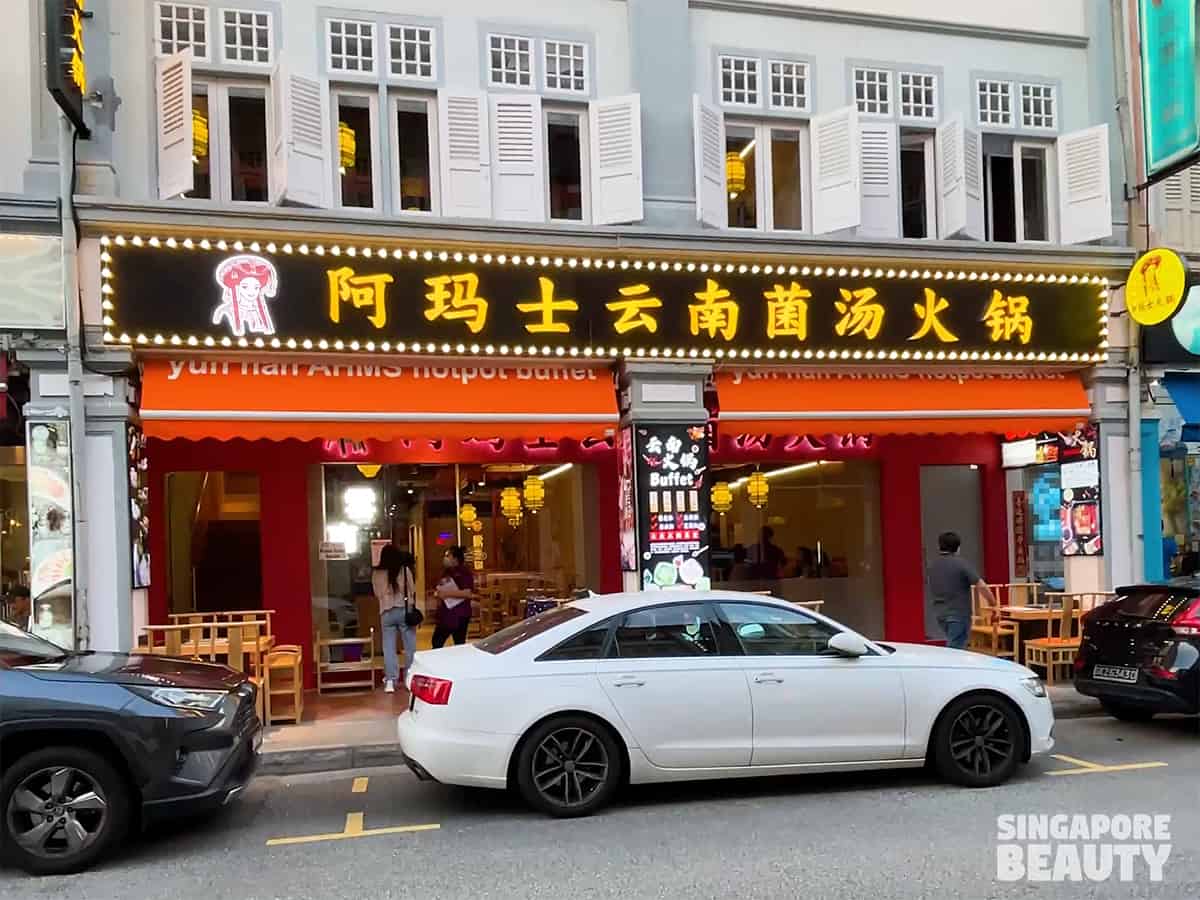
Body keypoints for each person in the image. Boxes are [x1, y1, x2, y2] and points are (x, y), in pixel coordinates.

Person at [928, 531, 994, 651]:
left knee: (953, 643)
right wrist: (992, 602)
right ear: (958, 548)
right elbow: (981, 585)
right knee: (956, 650)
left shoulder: (933, 565)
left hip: (940, 614)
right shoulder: (961, 564)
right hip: (958, 614)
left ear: (940, 546)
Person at [373, 545, 416, 694]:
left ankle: (391, 680)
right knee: (409, 646)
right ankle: (409, 678)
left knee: (389, 647)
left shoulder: (377, 573)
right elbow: (412, 589)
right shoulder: (405, 570)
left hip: (386, 612)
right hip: (404, 611)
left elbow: (377, 592)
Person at [432, 545, 474, 648]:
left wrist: (446, 594)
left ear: (455, 558)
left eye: (448, 555)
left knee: (459, 644)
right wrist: (438, 594)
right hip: (446, 614)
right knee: (437, 642)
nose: (445, 558)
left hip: (460, 614)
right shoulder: (446, 572)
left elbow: (467, 593)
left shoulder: (464, 573)